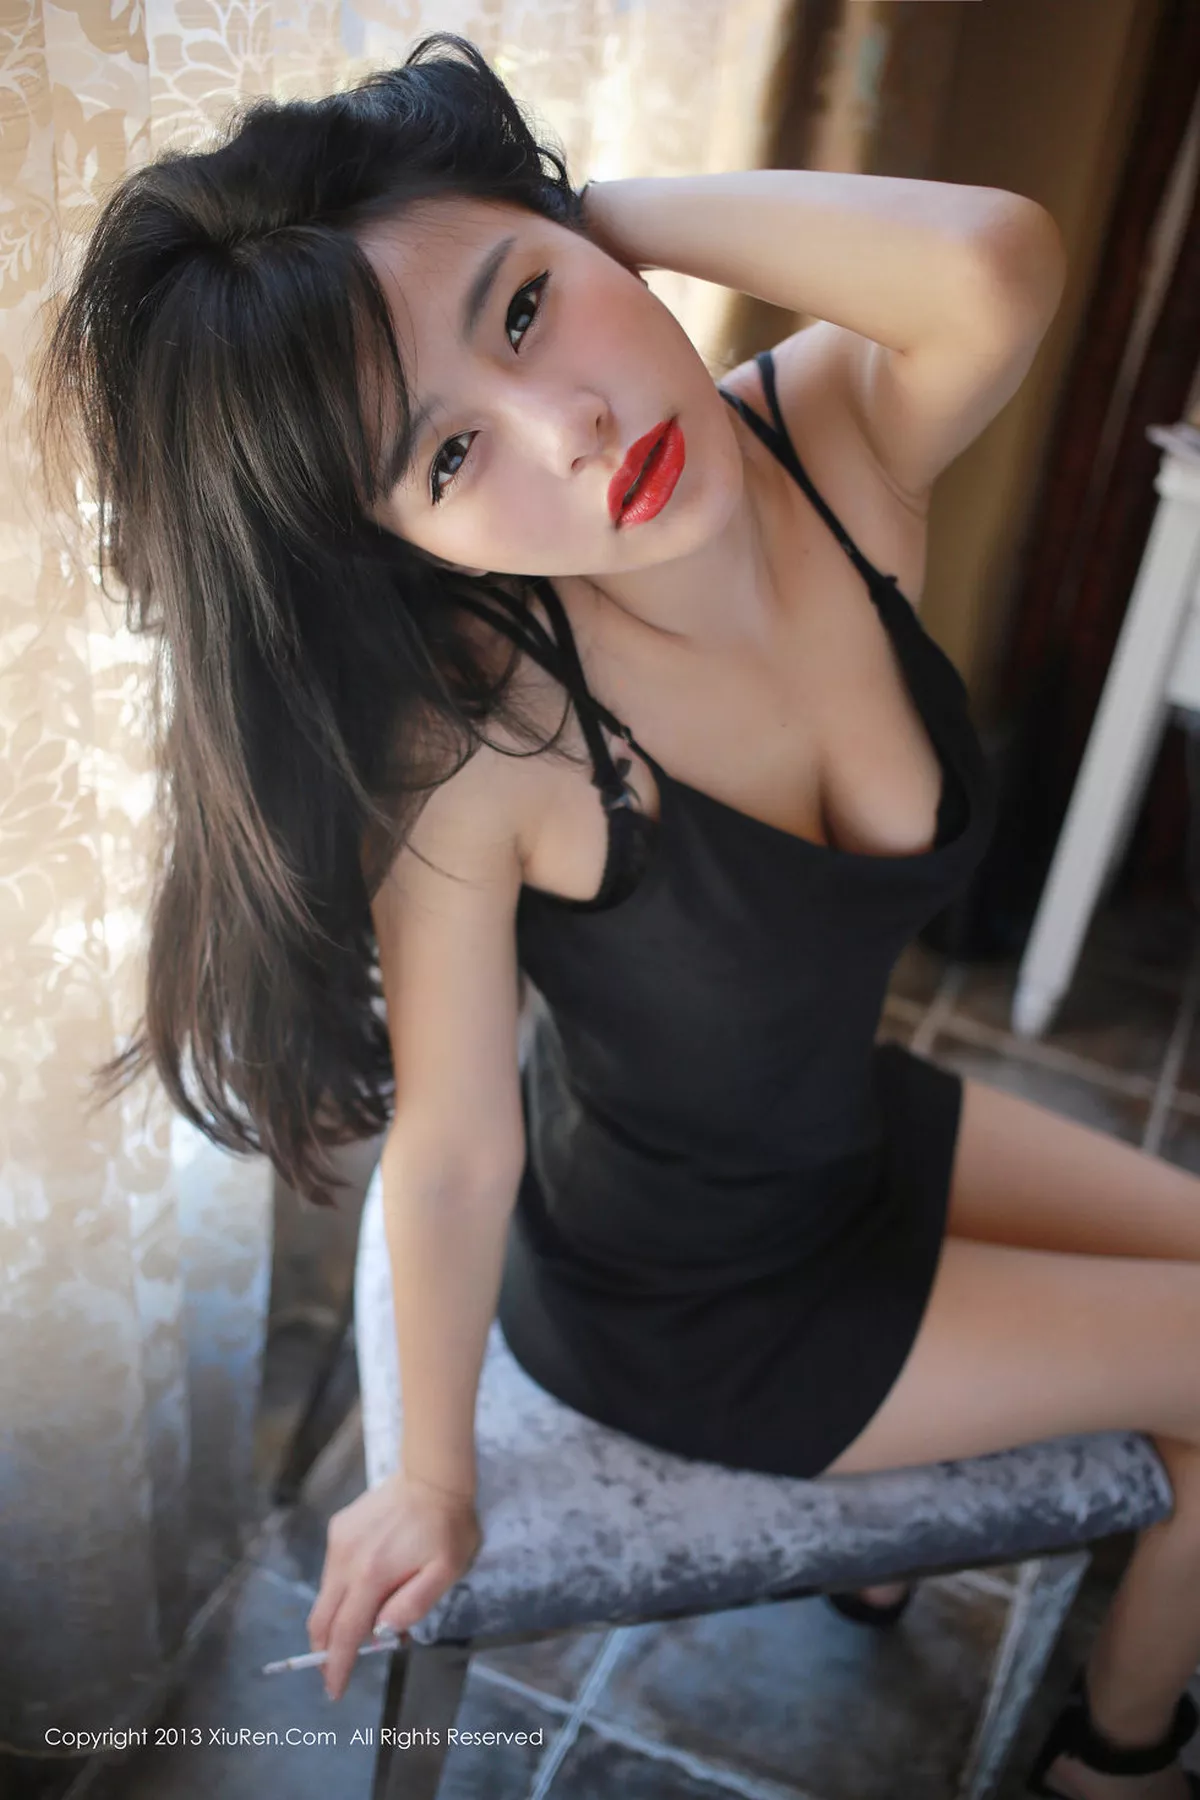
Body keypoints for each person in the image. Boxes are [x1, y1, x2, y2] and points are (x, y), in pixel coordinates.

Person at [36, 32, 1200, 1800]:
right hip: (693, 1304)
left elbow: (995, 262)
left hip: (851, 1141)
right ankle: (1118, 1759)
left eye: (525, 307)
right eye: (449, 458)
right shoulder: (484, 740)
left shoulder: (830, 447)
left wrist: (586, 203)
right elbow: (451, 1149)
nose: (568, 429)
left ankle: (913, 1552)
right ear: (408, 541)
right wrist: (430, 1476)